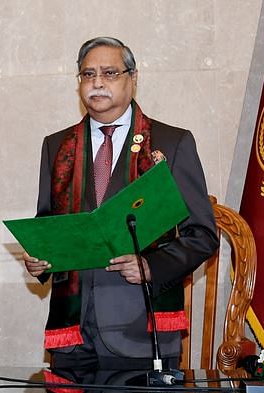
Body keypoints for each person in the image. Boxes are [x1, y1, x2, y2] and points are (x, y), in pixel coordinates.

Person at [24, 37, 219, 370]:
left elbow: (202, 234)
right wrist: (39, 260)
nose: (97, 83)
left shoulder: (171, 144)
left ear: (133, 77)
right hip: (72, 335)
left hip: (142, 331)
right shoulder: (57, 146)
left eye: (110, 73)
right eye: (88, 74)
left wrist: (151, 267)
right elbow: (48, 226)